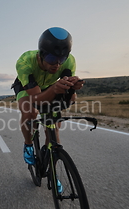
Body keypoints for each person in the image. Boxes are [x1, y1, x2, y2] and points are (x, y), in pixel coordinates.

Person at [11, 27, 85, 165]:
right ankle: (28, 145)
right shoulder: (24, 61)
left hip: (50, 87)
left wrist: (72, 88)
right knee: (30, 112)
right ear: (41, 54)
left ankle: (51, 166)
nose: (56, 65)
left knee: (54, 126)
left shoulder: (69, 61)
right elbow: (35, 99)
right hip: (27, 88)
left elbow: (70, 97)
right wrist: (54, 90)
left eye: (61, 59)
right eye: (51, 58)